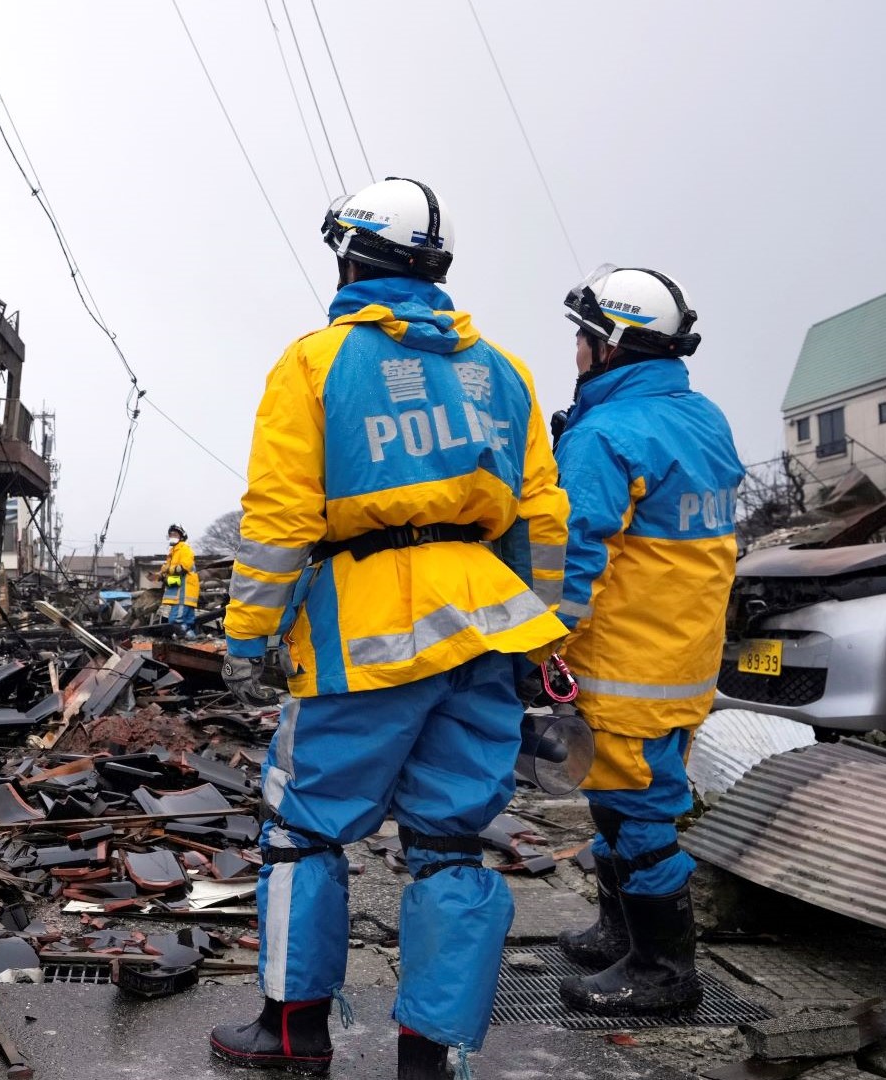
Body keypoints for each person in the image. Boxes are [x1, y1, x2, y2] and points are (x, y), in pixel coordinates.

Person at [211, 178, 570, 1078]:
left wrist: (248, 638)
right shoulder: (504, 370)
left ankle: (291, 1032)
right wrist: (546, 636)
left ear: (350, 257)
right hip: (486, 624)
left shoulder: (316, 364)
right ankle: (429, 1057)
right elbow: (541, 517)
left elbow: (281, 518)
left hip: (361, 630)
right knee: (452, 842)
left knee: (306, 830)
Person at [548, 266, 743, 1016]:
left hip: (625, 664)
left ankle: (662, 970)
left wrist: (538, 649)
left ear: (616, 345)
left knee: (639, 814)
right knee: (620, 798)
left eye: (585, 336)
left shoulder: (606, 434)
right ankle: (618, 932)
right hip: (682, 661)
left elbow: (574, 562)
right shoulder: (705, 418)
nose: (576, 349)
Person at [158, 524, 201, 638]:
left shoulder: (184, 549)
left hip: (184, 593)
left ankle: (190, 638)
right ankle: (190, 641)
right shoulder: (173, 552)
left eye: (175, 534)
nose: (172, 536)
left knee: (176, 621)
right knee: (187, 622)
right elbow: (172, 573)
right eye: (171, 534)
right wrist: (162, 575)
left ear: (182, 536)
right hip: (181, 592)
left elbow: (182, 568)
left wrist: (168, 570)